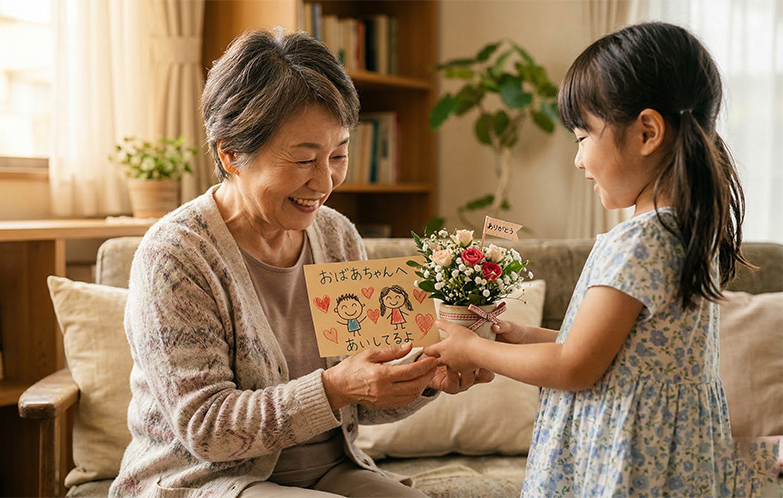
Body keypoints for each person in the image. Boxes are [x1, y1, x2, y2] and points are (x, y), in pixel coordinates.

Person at [109, 28, 492, 498]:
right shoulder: (176, 255)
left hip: (333, 471)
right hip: (210, 481)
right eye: (305, 159)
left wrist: (424, 376)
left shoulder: (336, 234)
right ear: (231, 153)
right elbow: (207, 428)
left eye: (339, 155)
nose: (326, 181)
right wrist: (333, 387)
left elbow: (363, 404)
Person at [424, 22, 764, 496]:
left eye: (583, 137)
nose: (579, 160)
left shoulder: (639, 242)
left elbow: (575, 367)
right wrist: (521, 337)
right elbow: (622, 354)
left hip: (624, 456)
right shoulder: (684, 233)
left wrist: (472, 349)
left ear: (647, 131)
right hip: (667, 455)